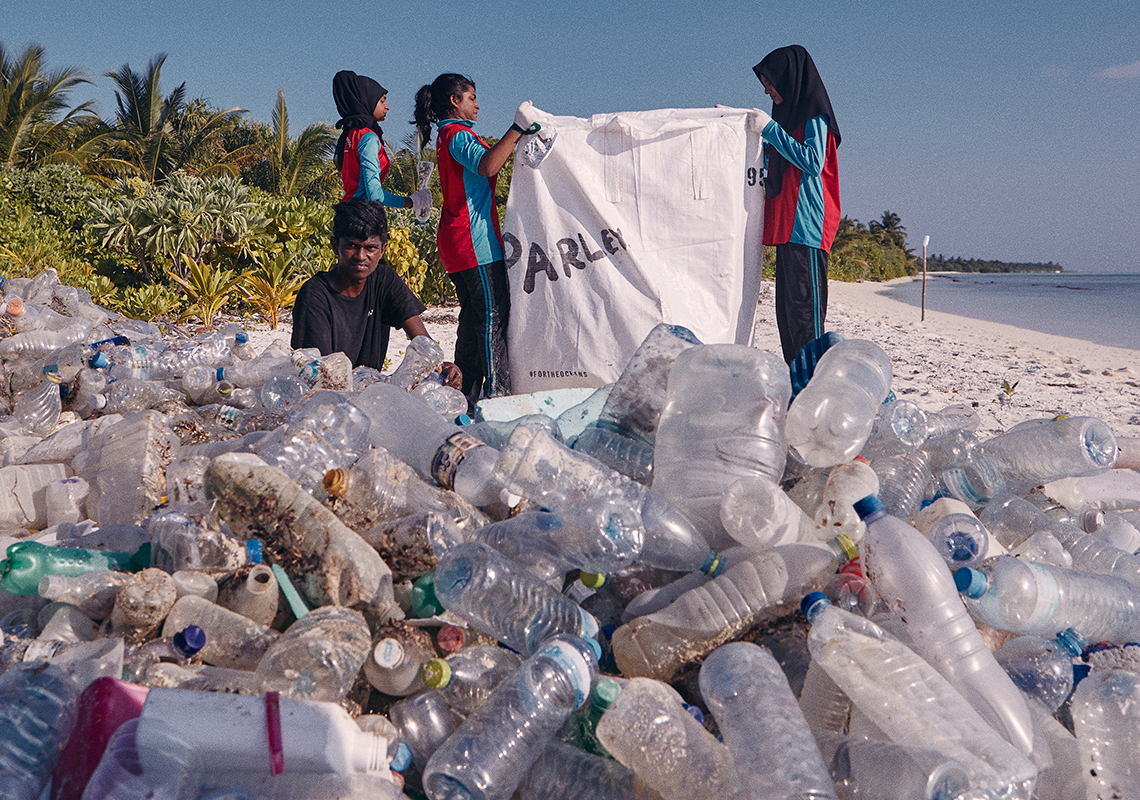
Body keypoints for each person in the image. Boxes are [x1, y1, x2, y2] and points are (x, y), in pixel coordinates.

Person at [412, 73, 541, 409]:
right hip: (474, 242)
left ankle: (464, 396)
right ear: (455, 101)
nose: (478, 104)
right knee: (492, 317)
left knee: (472, 322)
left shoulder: (446, 136)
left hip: (458, 242)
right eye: (471, 97)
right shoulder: (456, 135)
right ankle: (497, 397)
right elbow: (487, 165)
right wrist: (517, 129)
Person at [291, 198, 461, 386]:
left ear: (382, 250)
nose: (361, 256)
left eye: (370, 248)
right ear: (334, 246)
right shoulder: (315, 294)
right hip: (328, 396)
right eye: (351, 246)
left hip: (368, 390)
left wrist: (443, 368)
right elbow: (319, 376)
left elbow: (423, 344)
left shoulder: (383, 280)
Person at [751, 45, 841, 364]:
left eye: (770, 82)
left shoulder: (815, 116)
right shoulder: (784, 120)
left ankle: (814, 393)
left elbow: (814, 162)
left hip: (807, 227)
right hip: (786, 228)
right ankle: (796, 387)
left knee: (807, 321)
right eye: (763, 84)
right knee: (786, 318)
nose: (767, 90)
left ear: (789, 78)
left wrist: (770, 130)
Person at [333, 70, 432, 211]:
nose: (387, 106)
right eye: (382, 101)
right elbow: (375, 195)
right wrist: (412, 201)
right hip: (363, 216)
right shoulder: (369, 138)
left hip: (345, 213)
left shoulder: (350, 135)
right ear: (367, 101)